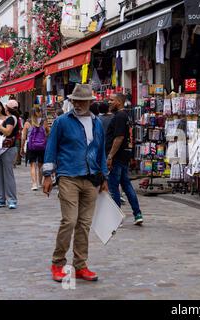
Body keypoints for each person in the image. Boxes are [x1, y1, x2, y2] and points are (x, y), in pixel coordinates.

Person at [43, 84, 109, 283]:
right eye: (76, 100)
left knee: (84, 224)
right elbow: (51, 147)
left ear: (90, 102)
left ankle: (80, 265)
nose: (78, 104)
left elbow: (101, 151)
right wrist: (47, 175)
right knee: (69, 221)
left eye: (83, 101)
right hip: (68, 176)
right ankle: (58, 263)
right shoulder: (62, 122)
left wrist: (104, 177)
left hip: (90, 178)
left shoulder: (97, 123)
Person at [106, 93, 143, 225]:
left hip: (117, 157)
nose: (109, 102)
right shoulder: (124, 116)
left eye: (112, 100)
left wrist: (110, 156)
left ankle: (117, 218)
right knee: (126, 186)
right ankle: (137, 214)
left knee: (114, 187)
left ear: (119, 102)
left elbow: (119, 137)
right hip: (123, 156)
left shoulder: (120, 117)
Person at [0, 100, 21, 209]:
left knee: (8, 174)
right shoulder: (10, 118)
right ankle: (1, 199)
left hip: (7, 149)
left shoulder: (11, 118)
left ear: (7, 108)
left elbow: (7, 132)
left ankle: (11, 199)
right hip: (0, 149)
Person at [21, 106, 50, 191]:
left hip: (31, 147)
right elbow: (48, 132)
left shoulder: (27, 123)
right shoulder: (43, 122)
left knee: (32, 165)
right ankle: (40, 183)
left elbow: (23, 137)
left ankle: (34, 184)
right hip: (42, 146)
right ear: (40, 112)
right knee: (40, 165)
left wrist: (22, 148)